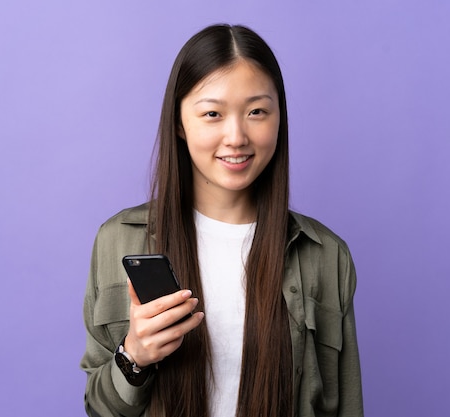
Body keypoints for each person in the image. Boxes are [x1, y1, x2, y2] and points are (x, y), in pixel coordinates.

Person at [80, 23, 363, 417]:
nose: (236, 136)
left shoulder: (325, 256)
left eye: (256, 112)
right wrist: (135, 357)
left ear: (280, 118)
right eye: (212, 113)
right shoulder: (118, 241)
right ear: (180, 122)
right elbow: (100, 409)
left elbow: (345, 407)